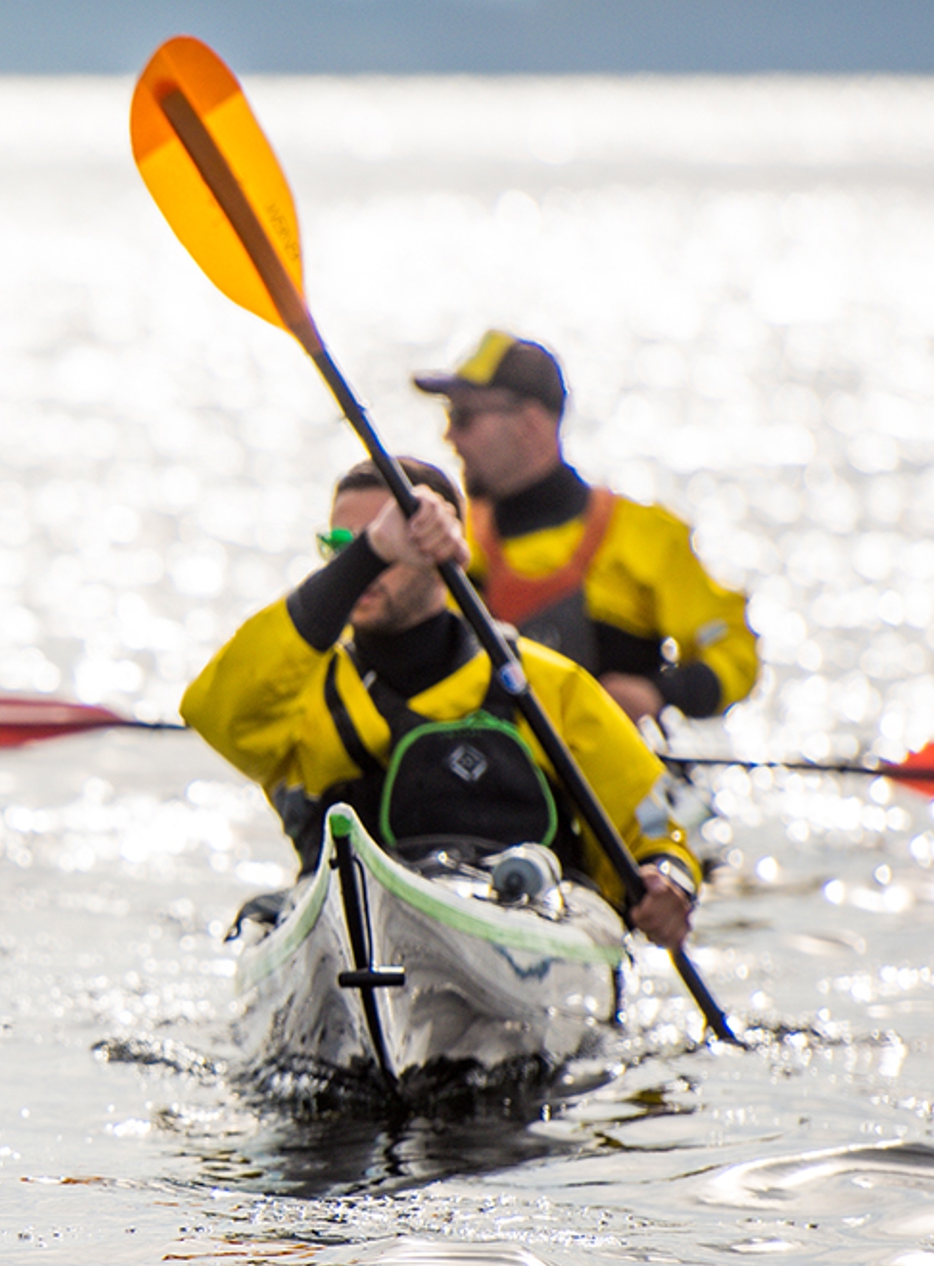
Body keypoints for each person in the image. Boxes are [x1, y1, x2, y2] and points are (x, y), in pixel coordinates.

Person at [180, 456, 700, 949]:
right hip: (354, 938)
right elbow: (213, 712)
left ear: (438, 548)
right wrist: (370, 555)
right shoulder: (299, 690)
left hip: (521, 932)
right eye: (342, 546)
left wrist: (668, 876)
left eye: (386, 542)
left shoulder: (550, 686)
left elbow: (652, 822)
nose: (361, 563)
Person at [416, 331, 757, 725]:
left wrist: (659, 692)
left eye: (464, 418)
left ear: (529, 423)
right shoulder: (449, 537)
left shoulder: (645, 535)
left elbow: (734, 649)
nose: (449, 436)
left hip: (605, 771)